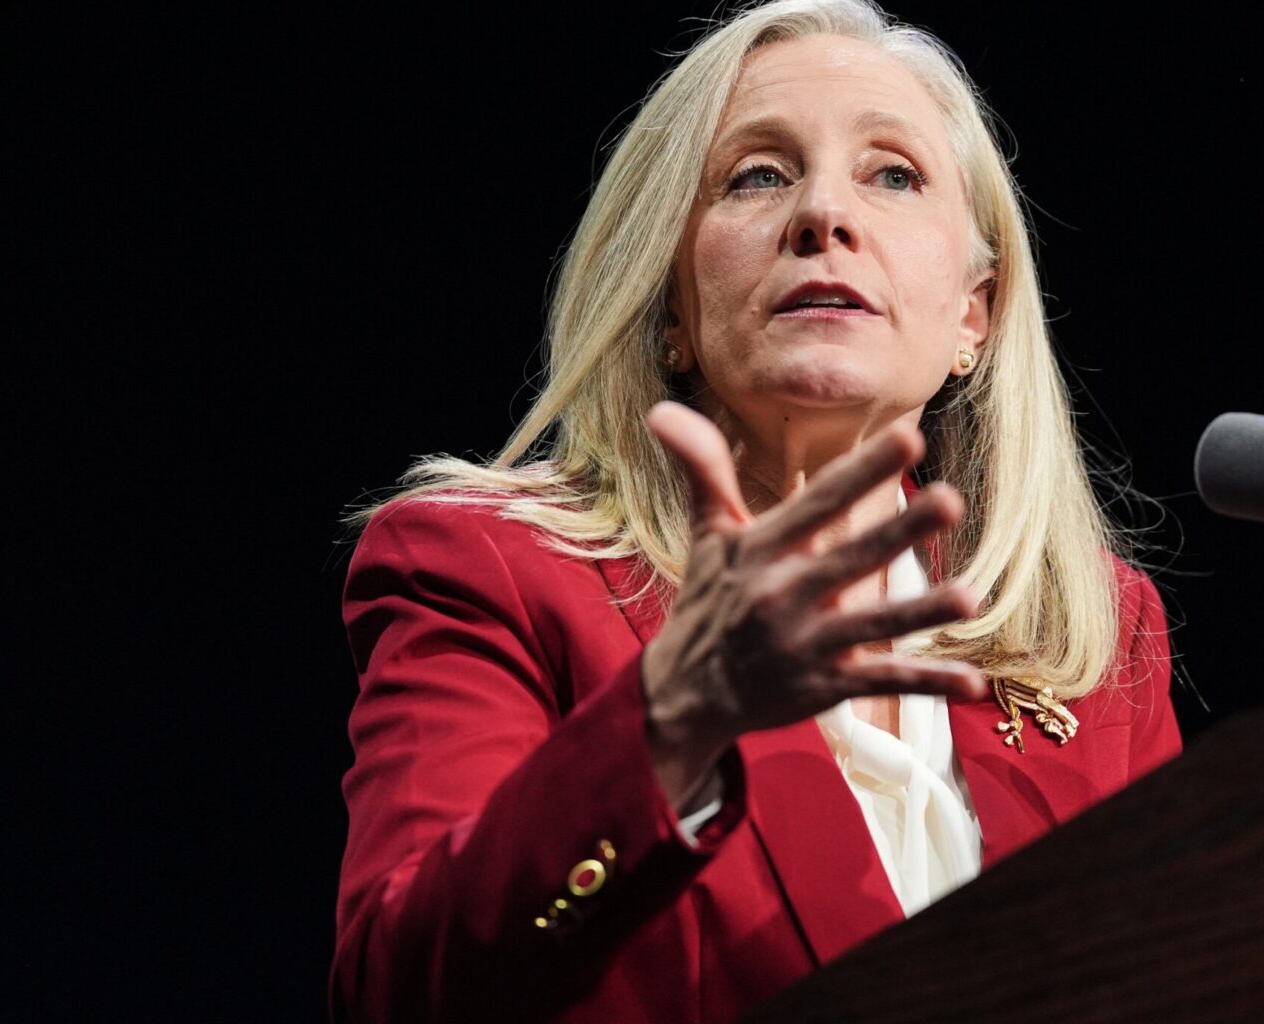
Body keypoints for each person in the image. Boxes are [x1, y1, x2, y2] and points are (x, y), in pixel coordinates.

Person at [332, 1, 1180, 1020]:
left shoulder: (1091, 631)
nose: (823, 215)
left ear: (973, 316)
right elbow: (396, 992)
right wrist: (672, 719)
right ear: (672, 307)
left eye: (893, 175)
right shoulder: (489, 569)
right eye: (758, 175)